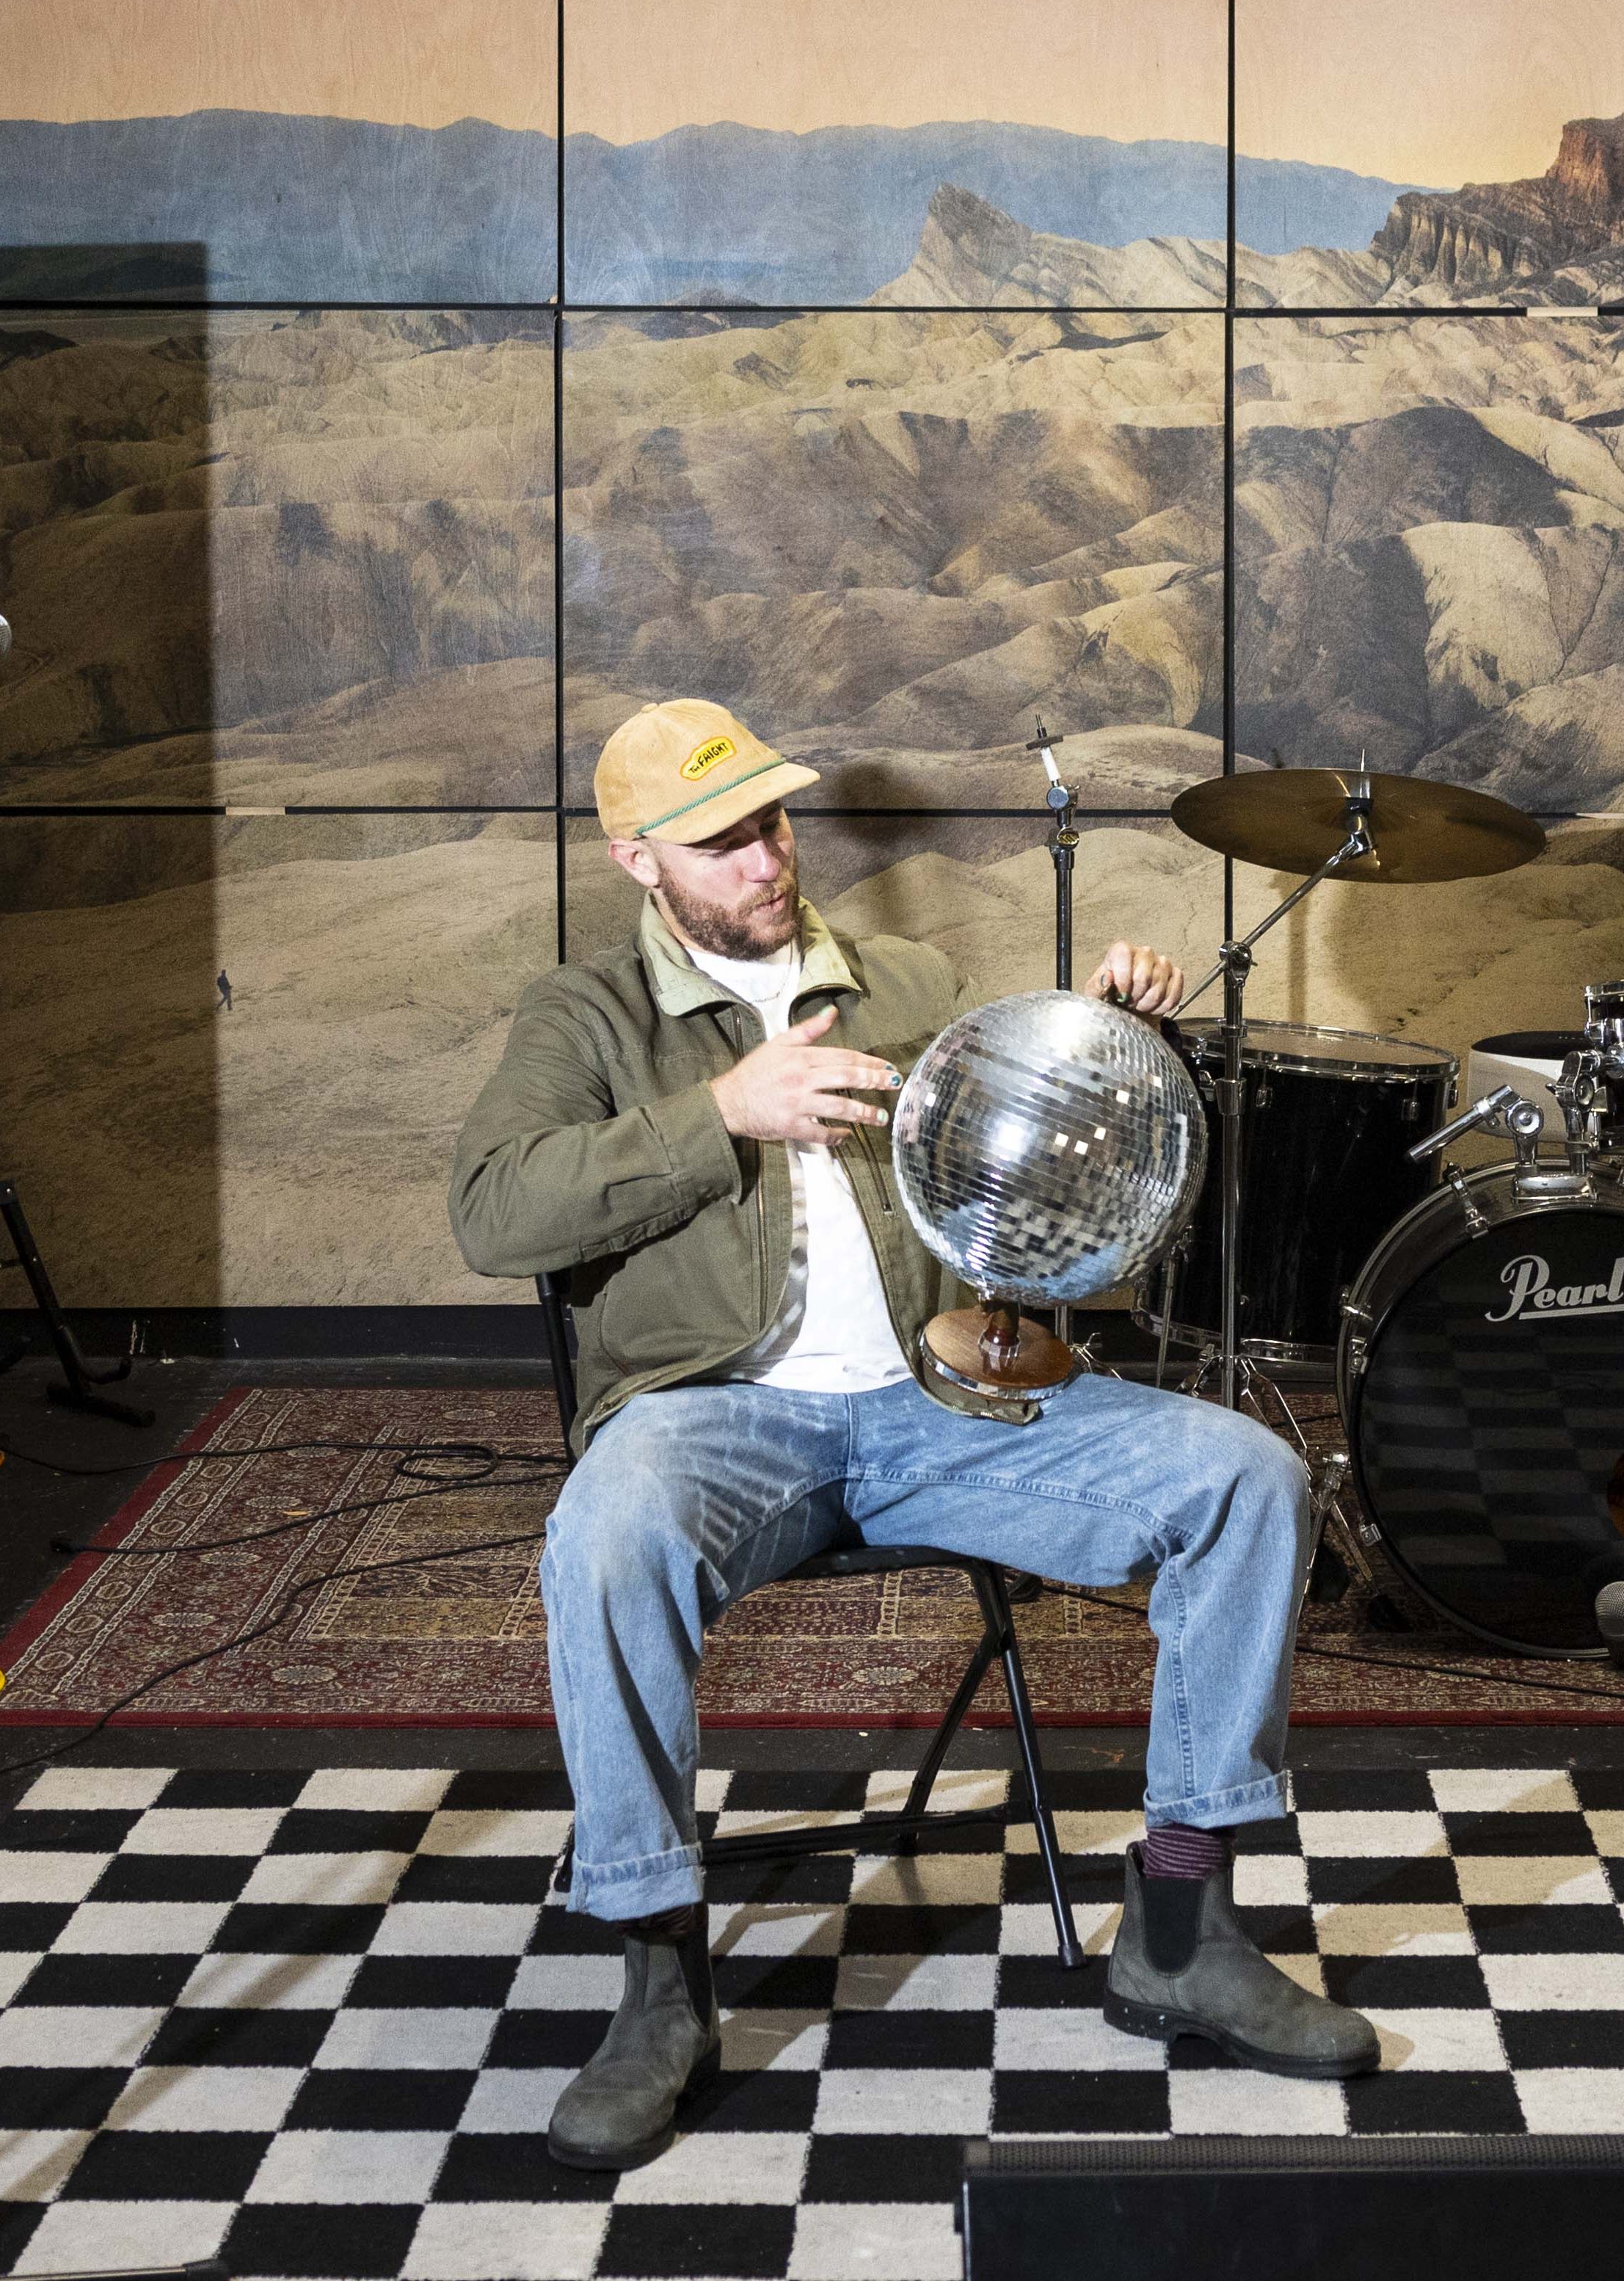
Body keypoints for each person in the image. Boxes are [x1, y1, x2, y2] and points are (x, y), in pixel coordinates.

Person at [450, 701, 1376, 2172]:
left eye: (772, 823)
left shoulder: (906, 980)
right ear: (639, 860)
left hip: (945, 1405)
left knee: (1246, 1477)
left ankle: (1184, 1926)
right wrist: (722, 1113)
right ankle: (655, 1975)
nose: (764, 858)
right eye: (720, 840)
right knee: (607, 1532)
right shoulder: (587, 1018)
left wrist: (1103, 1047)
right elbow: (494, 1210)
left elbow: (1014, 1184)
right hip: (715, 1418)